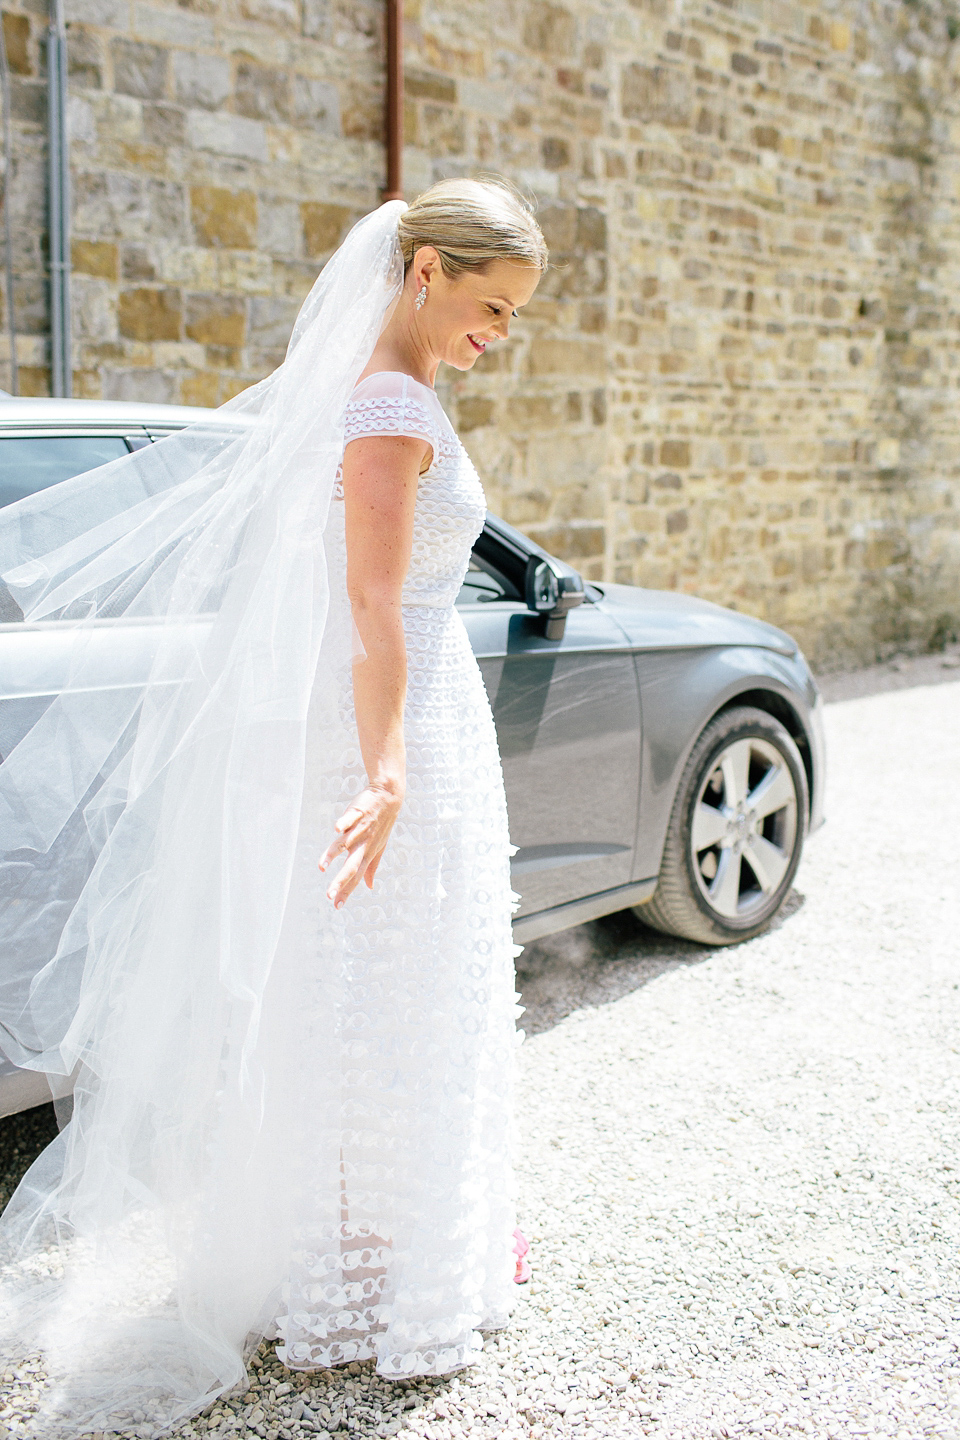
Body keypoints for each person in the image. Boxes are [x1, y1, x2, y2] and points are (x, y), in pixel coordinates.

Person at [0, 178, 546, 1434]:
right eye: (491, 305)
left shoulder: (388, 390)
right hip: (390, 721)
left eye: (513, 316)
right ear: (426, 273)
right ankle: (372, 1275)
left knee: (379, 984)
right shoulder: (393, 404)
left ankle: (392, 1244)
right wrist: (391, 770)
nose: (499, 333)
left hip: (405, 710)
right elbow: (370, 603)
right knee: (379, 985)